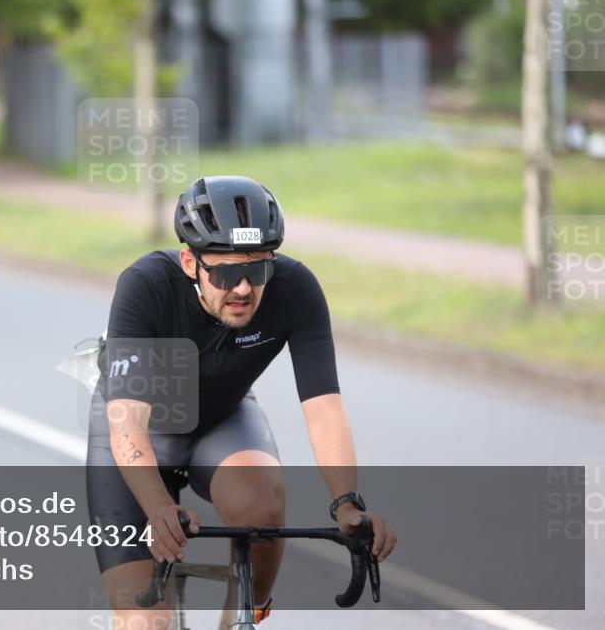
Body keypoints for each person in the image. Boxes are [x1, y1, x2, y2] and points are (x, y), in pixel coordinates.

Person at [87, 176, 397, 629]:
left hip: (220, 422)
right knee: (145, 620)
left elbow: (325, 407)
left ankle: (244, 615)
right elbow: (127, 423)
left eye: (259, 270)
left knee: (263, 508)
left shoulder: (296, 288)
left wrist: (347, 504)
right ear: (190, 261)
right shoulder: (145, 285)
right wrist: (157, 508)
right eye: (227, 273)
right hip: (138, 433)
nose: (245, 289)